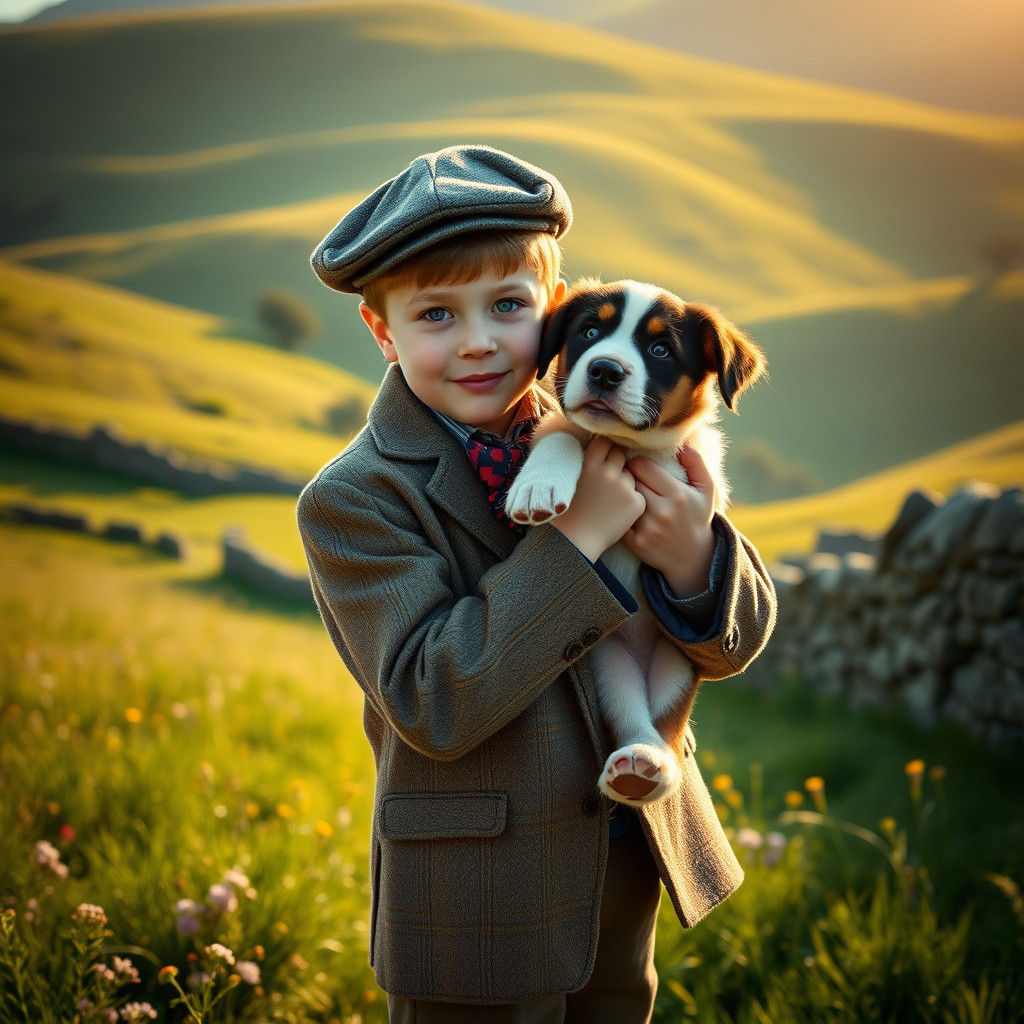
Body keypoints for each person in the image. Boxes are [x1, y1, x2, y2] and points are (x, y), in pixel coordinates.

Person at [297, 143, 777, 1023]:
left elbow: (736, 640)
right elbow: (435, 696)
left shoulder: (612, 431)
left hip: (625, 852)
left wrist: (690, 559)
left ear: (554, 312)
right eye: (436, 314)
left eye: (507, 306)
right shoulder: (355, 499)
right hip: (475, 896)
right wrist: (579, 541)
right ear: (382, 330)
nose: (478, 341)